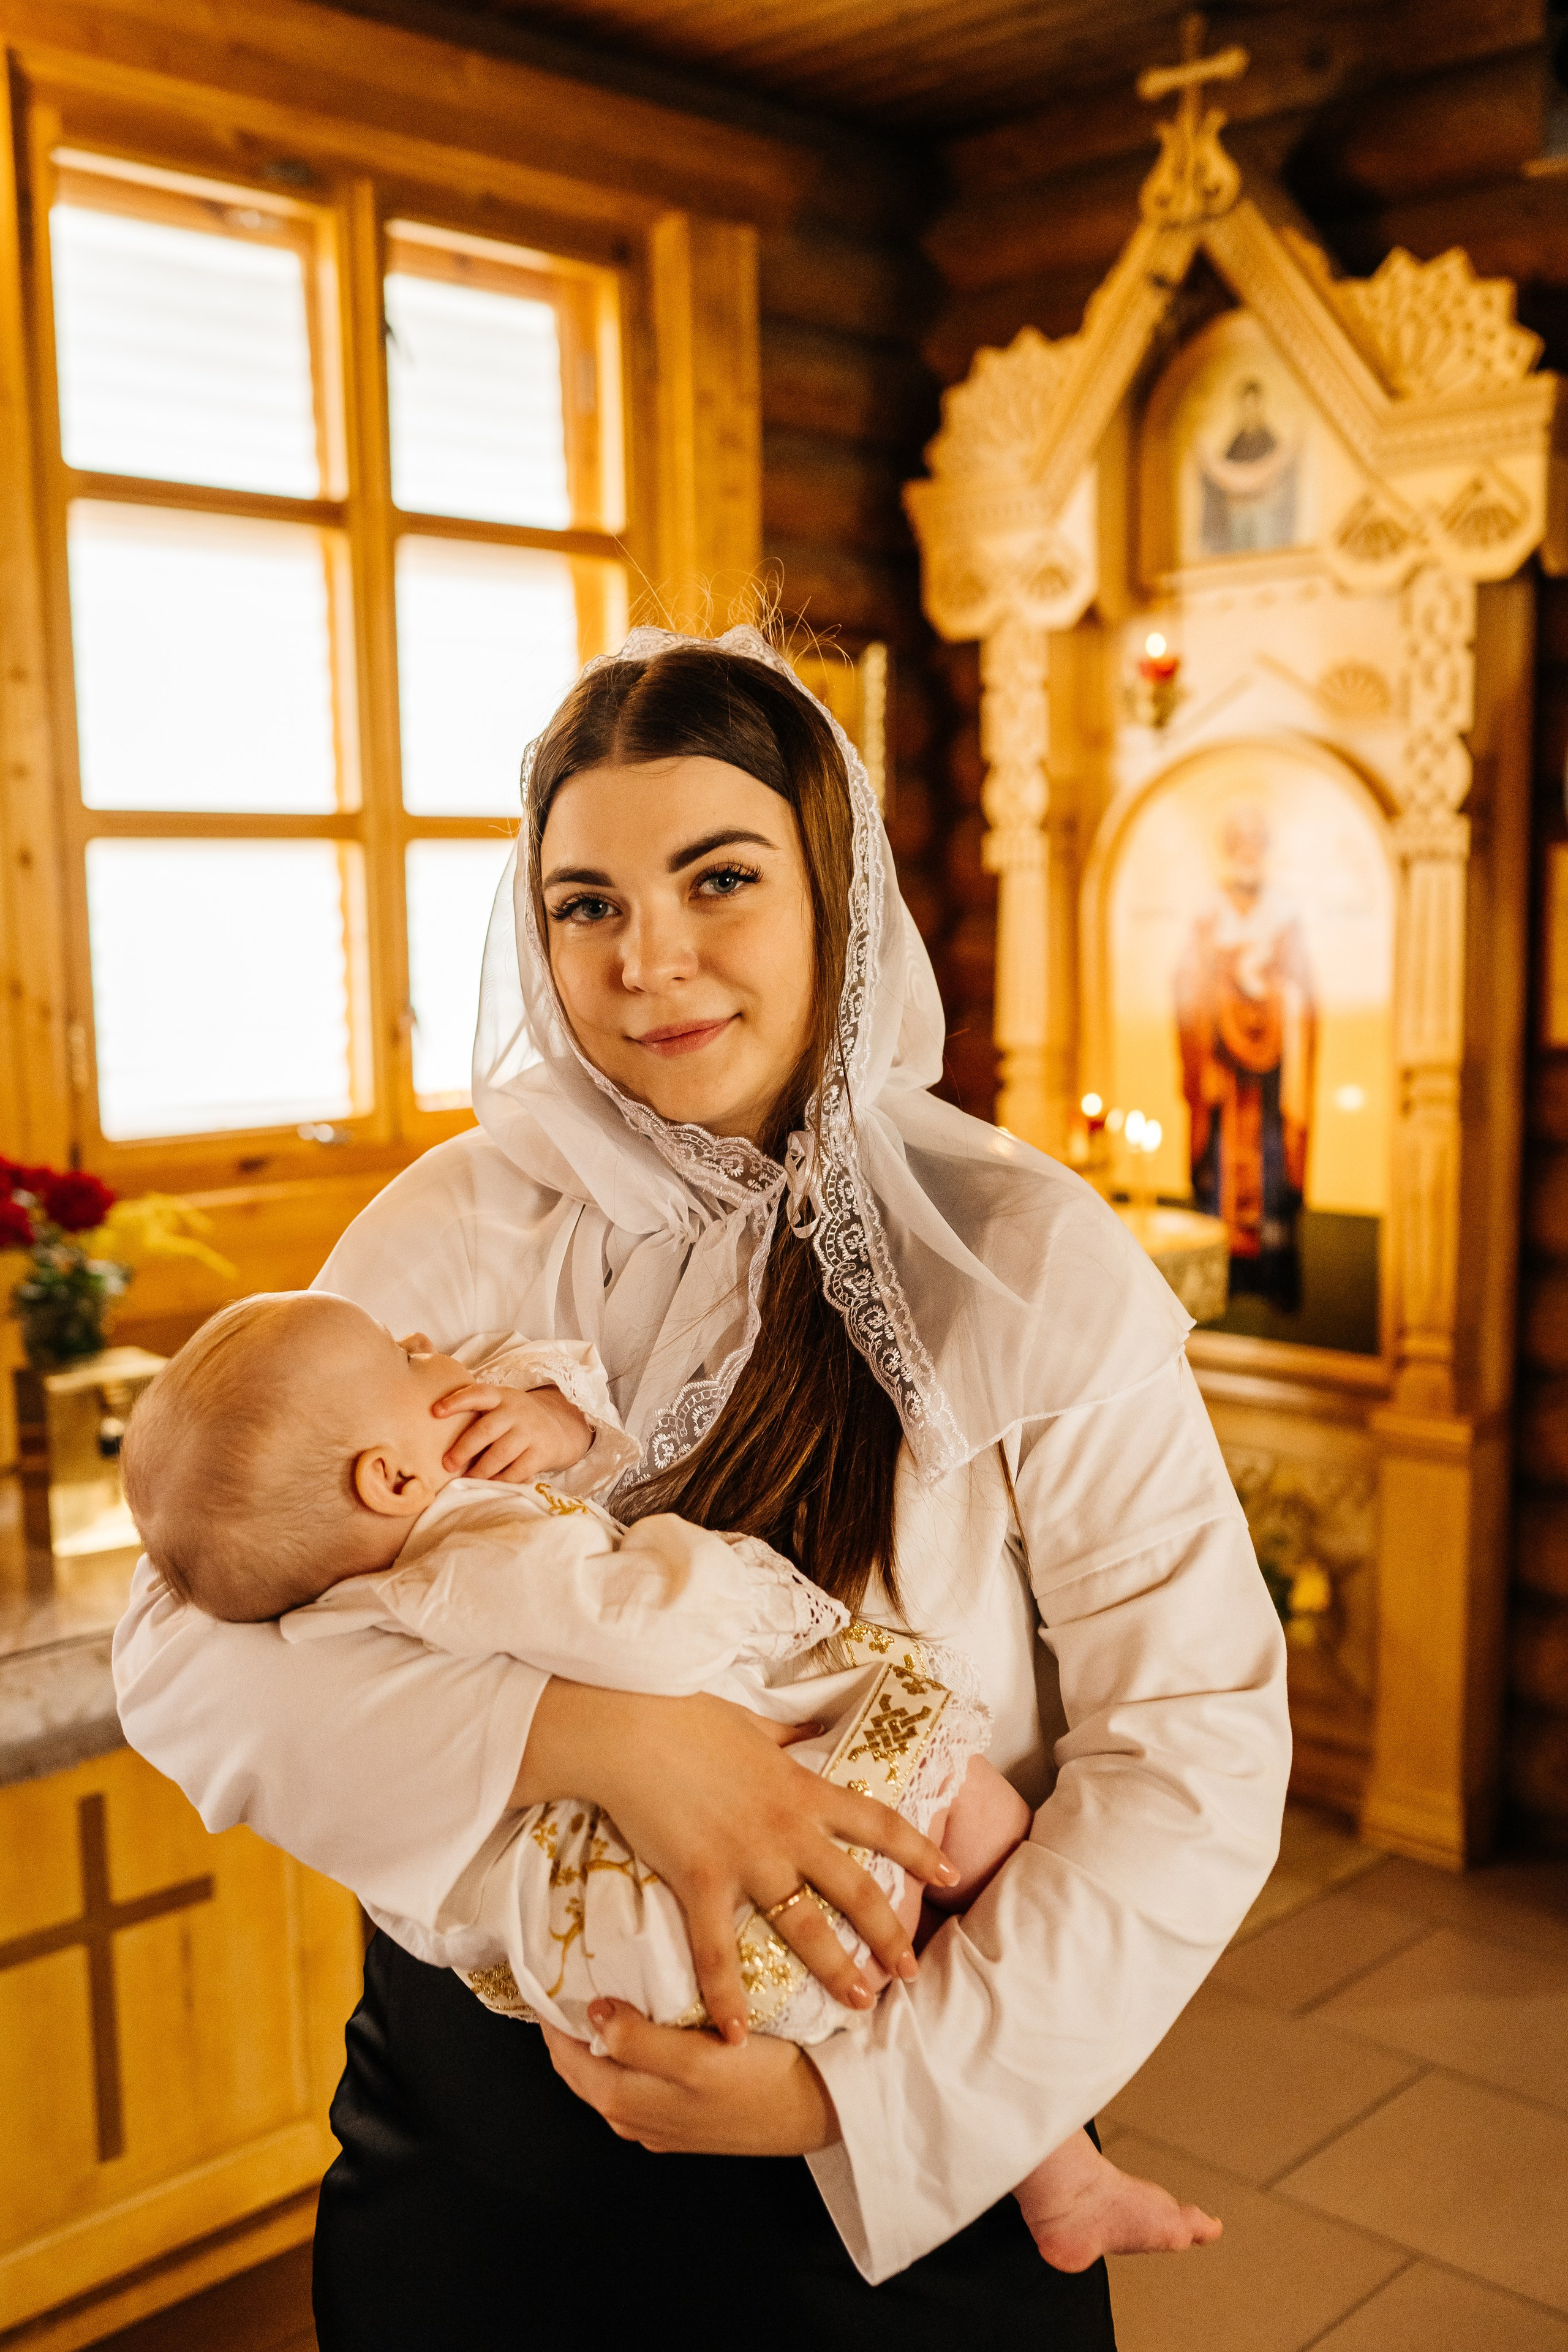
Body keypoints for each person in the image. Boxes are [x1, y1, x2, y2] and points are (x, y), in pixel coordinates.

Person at [113, 625, 1290, 2347]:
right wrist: (598, 1743)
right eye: (585, 902)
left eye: (717, 879)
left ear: (836, 891)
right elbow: (184, 1645)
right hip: (480, 2160)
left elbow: (1192, 1741)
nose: (648, 961)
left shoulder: (1026, 1256)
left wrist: (859, 2103)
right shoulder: (457, 1228)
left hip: (885, 2151)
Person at [120, 1285, 1224, 2272]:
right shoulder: (478, 1550)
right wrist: (718, 1593)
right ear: (393, 1475)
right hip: (576, 2059)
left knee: (913, 1951)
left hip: (630, 1971)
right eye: (409, 1360)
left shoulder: (397, 1537)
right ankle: (1059, 2169)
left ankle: (1056, 2175)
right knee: (972, 1818)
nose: (425, 1344)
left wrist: (552, 1421)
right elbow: (635, 1625)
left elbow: (1192, 1730)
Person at [1175, 801, 1317, 1309]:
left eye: (1257, 843)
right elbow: (1186, 986)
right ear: (1229, 850)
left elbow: (1306, 992)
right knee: (1221, 1162)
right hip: (1221, 1069)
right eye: (1240, 843)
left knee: (1270, 1158)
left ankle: (1270, 1270)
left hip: (1272, 1071)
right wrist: (1218, 987)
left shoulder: (1285, 917)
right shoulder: (1207, 917)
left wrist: (1269, 990)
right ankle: (1225, 1270)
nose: (1248, 853)